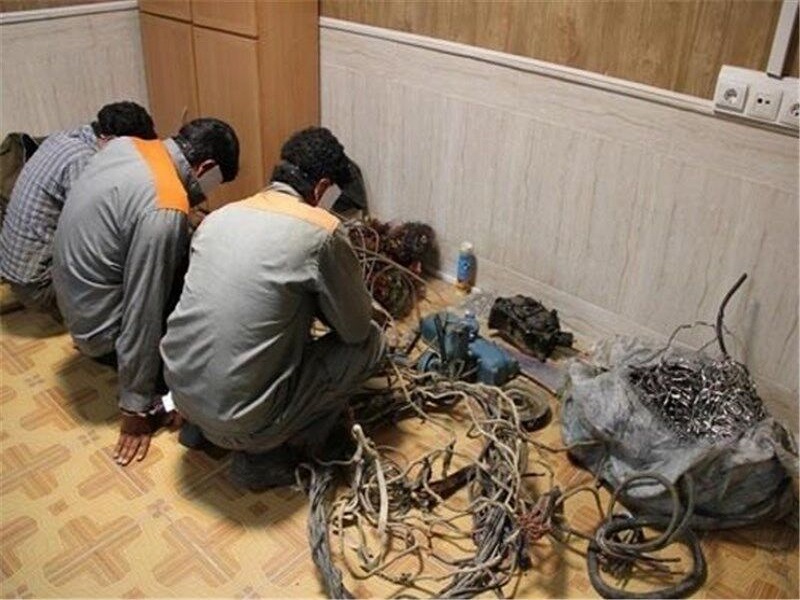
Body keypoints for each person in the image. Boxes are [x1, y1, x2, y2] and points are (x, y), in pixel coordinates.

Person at [161, 126, 385, 490]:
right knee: (370, 344)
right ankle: (271, 457)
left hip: (181, 395)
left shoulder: (220, 216)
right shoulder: (321, 231)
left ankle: (201, 431)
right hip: (243, 421)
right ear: (322, 187)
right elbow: (356, 329)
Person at [51, 117, 240, 466]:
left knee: (181, 247)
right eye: (213, 184)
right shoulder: (166, 206)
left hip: (75, 308)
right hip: (104, 335)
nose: (207, 194)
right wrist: (134, 407)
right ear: (205, 167)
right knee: (210, 296)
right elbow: (144, 310)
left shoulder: (128, 146)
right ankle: (171, 400)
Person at [0, 101, 157, 312]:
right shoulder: (83, 162)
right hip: (39, 285)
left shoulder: (64, 139)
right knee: (137, 272)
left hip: (15, 271)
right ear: (112, 141)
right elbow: (94, 232)